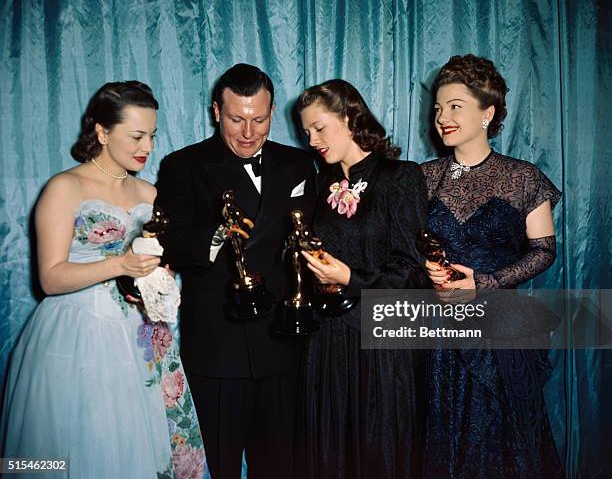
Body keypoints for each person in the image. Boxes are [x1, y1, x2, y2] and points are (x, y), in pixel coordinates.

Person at [0, 81, 207, 478]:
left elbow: (162, 262)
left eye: (152, 135)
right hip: (79, 339)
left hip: (143, 337)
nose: (146, 146)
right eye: (136, 135)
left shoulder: (150, 191)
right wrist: (121, 266)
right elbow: (50, 278)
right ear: (102, 132)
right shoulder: (65, 187)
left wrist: (160, 276)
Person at [154, 63, 316, 479]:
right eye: (236, 119)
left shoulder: (299, 164)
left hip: (283, 341)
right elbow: (172, 243)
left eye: (259, 119)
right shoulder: (182, 165)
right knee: (219, 466)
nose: (248, 132)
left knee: (281, 467)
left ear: (272, 112)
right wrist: (217, 236)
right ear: (215, 112)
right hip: (218, 346)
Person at [421, 54, 564, 478]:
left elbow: (544, 251)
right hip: (439, 329)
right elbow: (411, 247)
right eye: (438, 108)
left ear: (488, 113)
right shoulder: (424, 177)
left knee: (505, 441)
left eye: (455, 106)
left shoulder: (523, 177)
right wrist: (427, 269)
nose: (442, 117)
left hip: (500, 328)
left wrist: (485, 281)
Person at [295, 79, 428, 479]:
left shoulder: (401, 177)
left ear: (350, 117)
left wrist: (350, 276)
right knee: (331, 452)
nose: (313, 140)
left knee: (380, 453)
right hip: (328, 340)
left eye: (319, 128)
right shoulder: (321, 183)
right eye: (306, 132)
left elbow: (410, 268)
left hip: (383, 345)